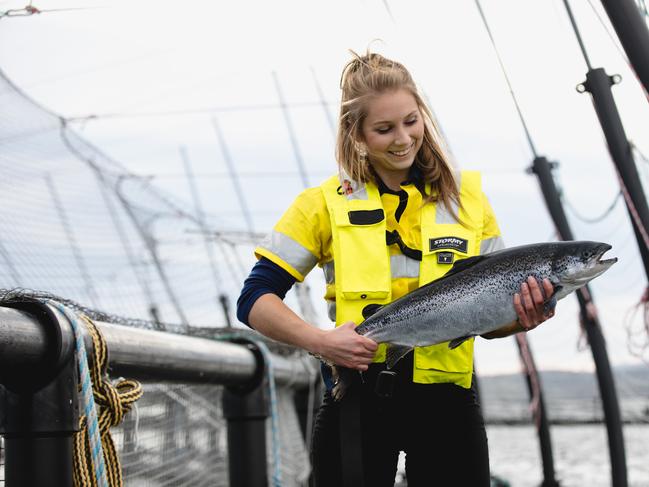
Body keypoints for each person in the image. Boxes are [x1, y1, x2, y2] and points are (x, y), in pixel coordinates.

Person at [237, 50, 555, 487]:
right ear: (358, 135)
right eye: (384, 129)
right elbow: (254, 300)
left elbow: (492, 323)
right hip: (356, 400)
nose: (403, 138)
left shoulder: (469, 201)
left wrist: (522, 319)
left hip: (449, 406)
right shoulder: (321, 204)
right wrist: (322, 342)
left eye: (411, 121)